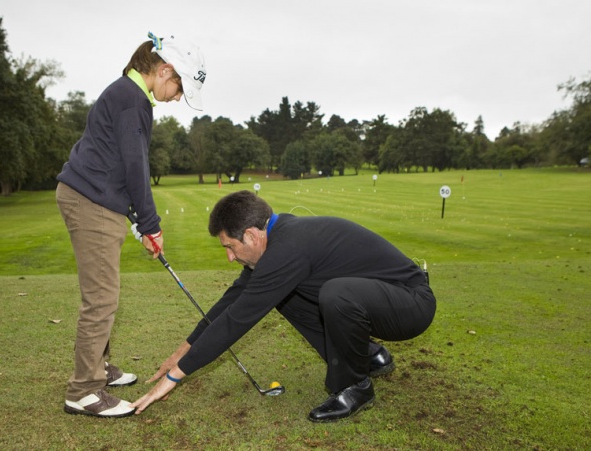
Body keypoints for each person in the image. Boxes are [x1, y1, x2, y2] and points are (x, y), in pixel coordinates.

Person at [131, 190, 436, 422]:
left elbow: (237, 320)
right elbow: (232, 301)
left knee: (335, 294)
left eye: (230, 247)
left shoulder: (287, 249)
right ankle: (371, 356)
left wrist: (174, 378)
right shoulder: (279, 236)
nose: (230, 257)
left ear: (250, 236)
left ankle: (354, 386)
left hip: (410, 305)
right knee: (289, 298)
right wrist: (183, 350)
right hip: (381, 300)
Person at [56, 31, 206, 418]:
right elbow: (137, 166)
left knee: (104, 293)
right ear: (164, 70)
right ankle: (84, 390)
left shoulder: (129, 96)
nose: (175, 97)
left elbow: (124, 164)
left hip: (95, 198)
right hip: (91, 202)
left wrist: (139, 220)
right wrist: (152, 224)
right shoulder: (131, 100)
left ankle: (99, 369)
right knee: (102, 298)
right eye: (178, 88)